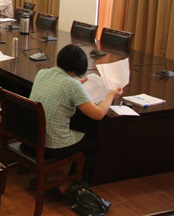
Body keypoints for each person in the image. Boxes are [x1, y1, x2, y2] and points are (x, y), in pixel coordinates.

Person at [29, 44, 123, 182]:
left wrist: (75, 83)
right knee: (93, 144)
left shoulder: (42, 73)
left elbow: (63, 85)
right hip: (52, 146)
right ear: (79, 68)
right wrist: (111, 95)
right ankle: (69, 185)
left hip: (32, 139)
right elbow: (98, 114)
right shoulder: (72, 85)